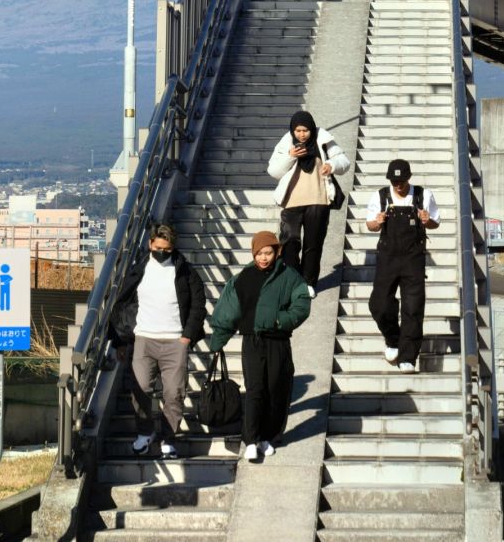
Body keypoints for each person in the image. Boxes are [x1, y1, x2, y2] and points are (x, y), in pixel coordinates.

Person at [206, 229, 311, 463]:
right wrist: (218, 341)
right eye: (259, 253)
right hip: (252, 342)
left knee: (277, 389)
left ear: (276, 252)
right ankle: (251, 440)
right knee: (255, 390)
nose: (263, 258)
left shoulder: (289, 276)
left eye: (268, 252)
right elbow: (228, 312)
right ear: (253, 254)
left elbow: (302, 304)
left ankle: (267, 437)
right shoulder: (243, 278)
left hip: (278, 342)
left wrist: (281, 320)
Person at [110, 222, 206, 458]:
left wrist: (187, 337)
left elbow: (198, 305)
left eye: (167, 249)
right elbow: (122, 305)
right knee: (140, 388)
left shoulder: (185, 272)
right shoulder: (138, 270)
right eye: (158, 247)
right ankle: (144, 433)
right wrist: (120, 340)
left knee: (174, 393)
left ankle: (168, 438)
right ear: (150, 243)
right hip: (144, 338)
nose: (162, 252)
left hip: (175, 340)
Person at [364, 158, 440, 371]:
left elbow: (435, 222)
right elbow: (370, 225)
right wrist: (377, 222)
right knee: (378, 304)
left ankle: (408, 356)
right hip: (387, 257)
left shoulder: (423, 195)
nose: (398, 185)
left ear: (409, 178)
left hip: (413, 259)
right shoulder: (380, 196)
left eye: (402, 180)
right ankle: (392, 338)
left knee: (413, 307)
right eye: (394, 181)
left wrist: (427, 220)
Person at [266, 109, 350, 299]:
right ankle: (293, 282)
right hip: (292, 201)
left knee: (313, 244)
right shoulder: (287, 141)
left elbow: (344, 161)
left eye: (305, 130)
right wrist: (291, 155)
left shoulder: (323, 138)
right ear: (293, 130)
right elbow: (273, 171)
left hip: (318, 200)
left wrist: (332, 165)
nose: (302, 134)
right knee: (289, 243)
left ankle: (309, 283)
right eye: (298, 131)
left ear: (312, 129)